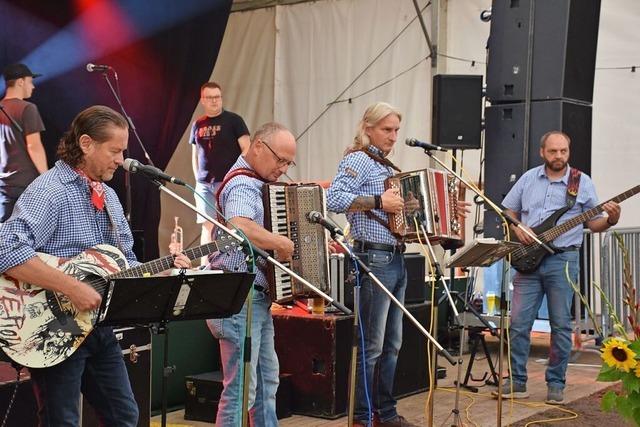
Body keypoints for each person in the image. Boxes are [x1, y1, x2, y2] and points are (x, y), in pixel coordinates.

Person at [0, 105, 190, 426]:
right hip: (52, 329)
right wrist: (72, 286)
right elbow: (6, 247)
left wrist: (163, 269)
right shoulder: (50, 191)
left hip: (99, 328)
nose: (120, 159)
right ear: (86, 144)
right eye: (114, 150)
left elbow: (125, 263)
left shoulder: (109, 197)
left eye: (123, 151)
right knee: (62, 420)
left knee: (125, 416)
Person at [496, 130, 621, 404]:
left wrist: (610, 220)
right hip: (527, 259)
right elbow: (507, 209)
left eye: (563, 151)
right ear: (543, 152)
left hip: (564, 259)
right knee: (518, 324)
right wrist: (518, 228)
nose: (559, 156)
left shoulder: (581, 182)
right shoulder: (529, 178)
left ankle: (556, 383)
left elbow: (593, 223)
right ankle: (517, 381)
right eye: (553, 151)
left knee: (561, 325)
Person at [327, 102, 418, 427]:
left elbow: (396, 215)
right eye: (386, 129)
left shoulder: (386, 166)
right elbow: (334, 199)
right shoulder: (357, 160)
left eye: (396, 130)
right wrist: (380, 201)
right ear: (368, 128)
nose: (393, 136)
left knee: (392, 343)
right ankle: (362, 417)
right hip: (373, 257)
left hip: (395, 255)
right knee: (373, 346)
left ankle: (386, 413)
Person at [206, 122, 296, 427]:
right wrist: (279, 242)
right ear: (258, 147)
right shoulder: (243, 184)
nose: (283, 168)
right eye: (280, 160)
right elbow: (239, 225)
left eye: (288, 162)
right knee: (242, 390)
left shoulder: (255, 182)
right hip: (238, 297)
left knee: (266, 382)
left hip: (254, 298)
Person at [190, 82, 250, 261]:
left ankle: (227, 264)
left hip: (225, 183)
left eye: (218, 97)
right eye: (210, 98)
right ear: (203, 100)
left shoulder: (234, 120)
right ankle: (205, 267)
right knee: (207, 226)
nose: (215, 101)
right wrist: (197, 179)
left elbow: (246, 149)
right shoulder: (197, 124)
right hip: (203, 184)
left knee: (229, 226)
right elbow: (195, 154)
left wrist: (234, 175)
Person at [0, 63, 48, 221]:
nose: (32, 86)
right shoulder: (28, 108)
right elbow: (34, 146)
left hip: (3, 187)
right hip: (26, 186)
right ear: (20, 82)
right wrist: (47, 178)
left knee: (4, 235)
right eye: (30, 81)